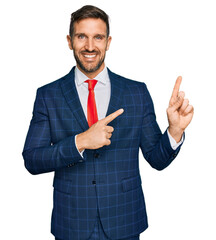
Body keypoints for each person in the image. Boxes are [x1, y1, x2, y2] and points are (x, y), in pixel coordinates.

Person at [22, 5, 194, 240]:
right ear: (69, 41)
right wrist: (80, 141)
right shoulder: (48, 95)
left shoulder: (136, 93)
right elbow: (32, 159)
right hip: (72, 221)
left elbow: (156, 158)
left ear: (108, 41)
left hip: (124, 220)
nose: (90, 46)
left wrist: (174, 131)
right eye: (82, 36)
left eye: (98, 37)